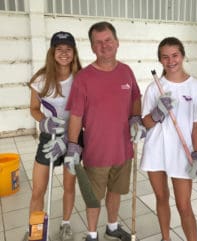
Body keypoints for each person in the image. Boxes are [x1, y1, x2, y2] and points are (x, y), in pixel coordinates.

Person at [65, 21, 144, 241]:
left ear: (117, 42)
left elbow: (135, 97)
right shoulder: (84, 78)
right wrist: (72, 147)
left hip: (123, 149)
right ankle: (92, 234)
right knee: (93, 198)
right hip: (97, 151)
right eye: (98, 43)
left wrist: (136, 118)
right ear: (92, 48)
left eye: (108, 40)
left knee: (116, 191)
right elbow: (76, 115)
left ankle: (112, 227)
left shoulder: (126, 71)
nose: (104, 45)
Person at [140, 37, 197, 241]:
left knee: (183, 204)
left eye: (175, 55)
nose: (171, 61)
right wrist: (157, 114)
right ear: (160, 60)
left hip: (182, 152)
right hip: (156, 149)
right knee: (161, 197)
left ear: (183, 55)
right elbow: (146, 123)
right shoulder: (154, 88)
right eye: (165, 57)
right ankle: (165, 238)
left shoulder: (195, 87)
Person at [26, 31, 82, 241]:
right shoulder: (40, 79)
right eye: (59, 49)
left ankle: (65, 224)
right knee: (38, 190)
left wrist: (70, 138)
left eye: (69, 49)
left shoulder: (81, 78)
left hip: (74, 139)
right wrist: (44, 122)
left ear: (74, 52)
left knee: (69, 185)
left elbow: (87, 111)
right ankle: (36, 230)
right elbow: (33, 108)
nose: (64, 53)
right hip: (49, 138)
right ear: (52, 52)